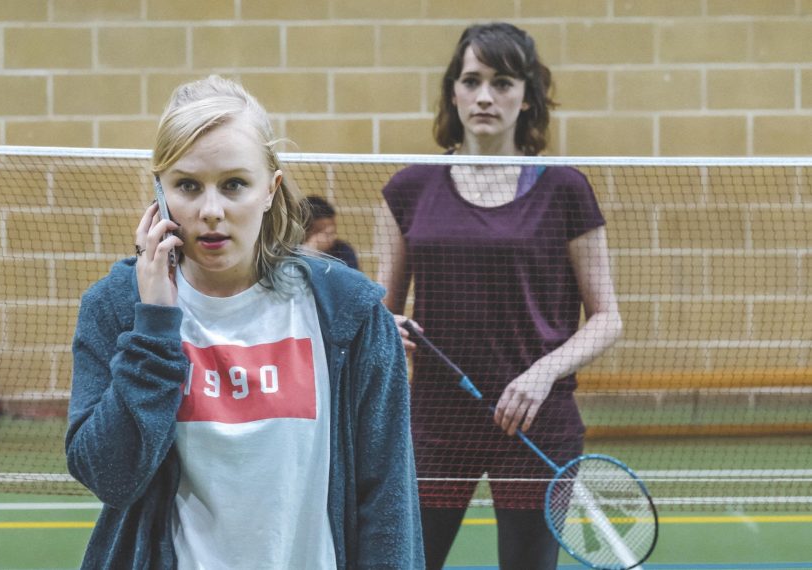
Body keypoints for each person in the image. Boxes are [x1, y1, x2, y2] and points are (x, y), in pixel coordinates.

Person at [66, 75, 423, 569]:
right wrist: (154, 328)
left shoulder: (350, 312)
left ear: (270, 190)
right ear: (159, 191)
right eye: (187, 186)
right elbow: (110, 479)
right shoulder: (116, 307)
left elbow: (388, 501)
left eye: (234, 184)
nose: (212, 211)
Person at [376, 22, 623, 570]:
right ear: (453, 92)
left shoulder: (565, 189)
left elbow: (607, 318)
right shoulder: (408, 189)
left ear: (528, 97)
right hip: (437, 419)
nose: (485, 96)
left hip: (535, 419)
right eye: (471, 81)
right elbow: (382, 311)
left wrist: (542, 374)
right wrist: (384, 327)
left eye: (503, 82)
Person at [301, 195, 360, 270]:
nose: (334, 237)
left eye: (333, 232)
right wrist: (311, 252)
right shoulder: (291, 251)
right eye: (328, 234)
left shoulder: (343, 251)